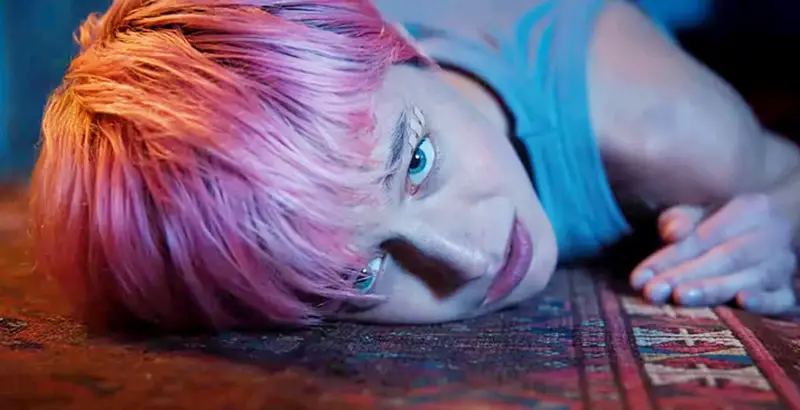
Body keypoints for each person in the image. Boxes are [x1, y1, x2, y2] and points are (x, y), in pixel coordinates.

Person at [30, 0, 800, 331]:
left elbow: (788, 170)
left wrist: (781, 217)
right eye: (361, 274)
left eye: (420, 162)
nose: (468, 256)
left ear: (410, 50)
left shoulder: (666, 132)